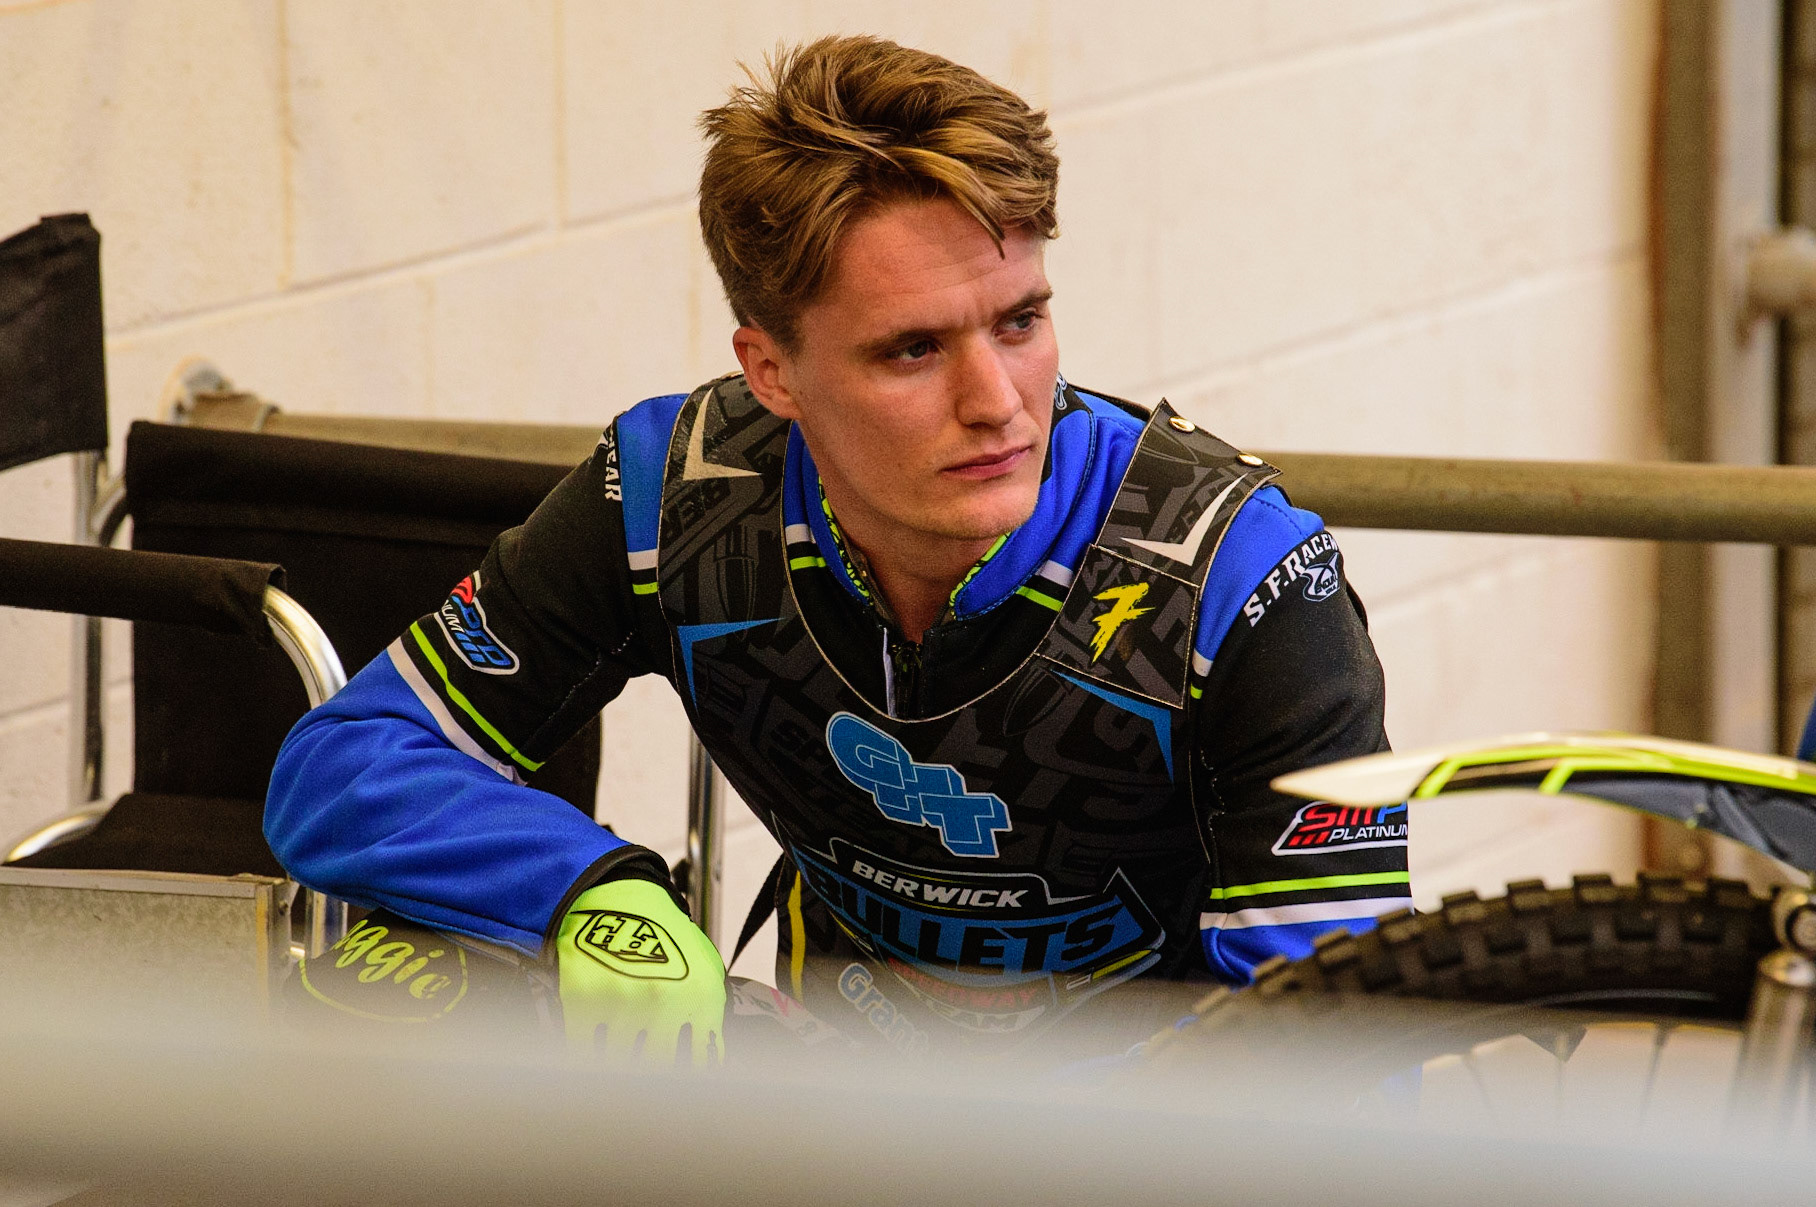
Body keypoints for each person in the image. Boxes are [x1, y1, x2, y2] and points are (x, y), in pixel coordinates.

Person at [265, 34, 1410, 1065]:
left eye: (1019, 321)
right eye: (911, 350)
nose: (998, 403)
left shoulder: (1241, 575)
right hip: (825, 1114)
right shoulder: (678, 493)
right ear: (771, 371)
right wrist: (591, 892)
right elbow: (343, 763)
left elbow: (1325, 1047)